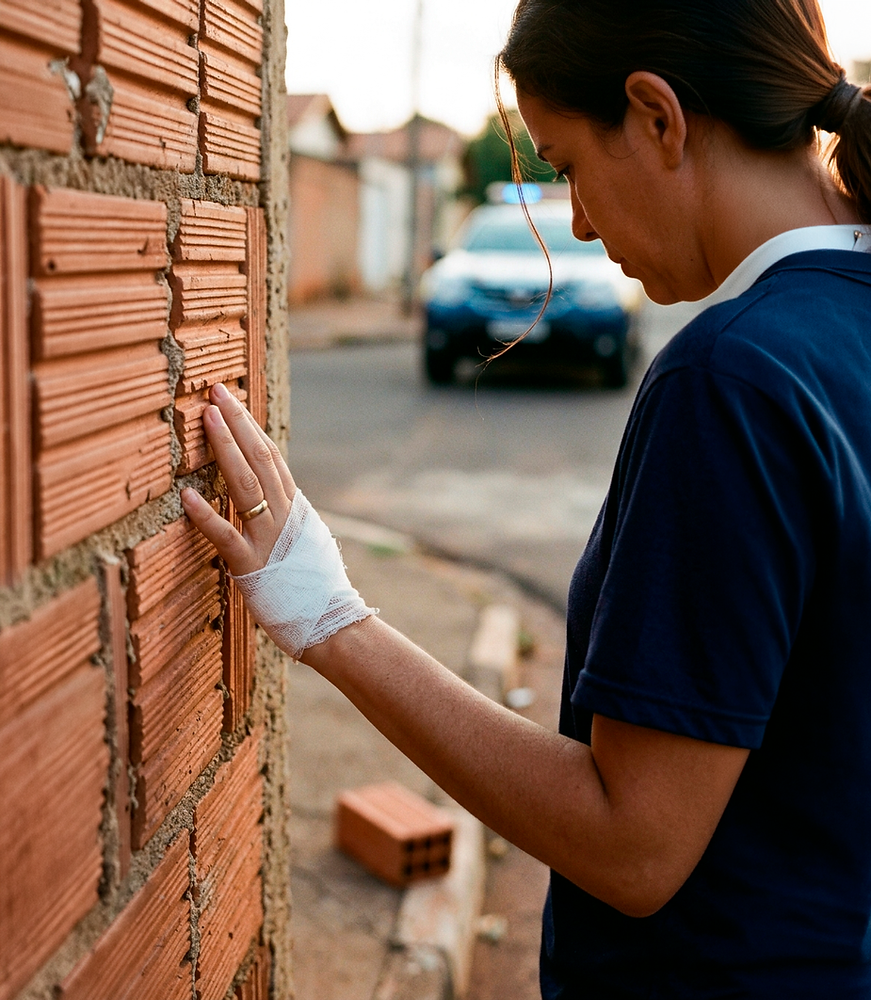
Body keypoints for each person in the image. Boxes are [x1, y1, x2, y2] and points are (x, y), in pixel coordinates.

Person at [182, 0, 871, 995]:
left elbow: (633, 844)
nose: (579, 222)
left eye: (564, 165)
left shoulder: (734, 381)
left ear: (656, 116)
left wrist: (328, 615)